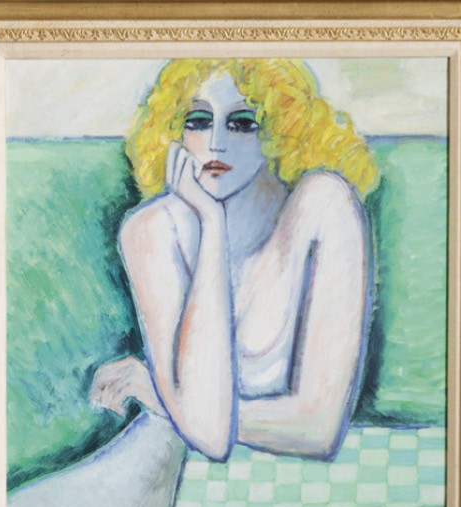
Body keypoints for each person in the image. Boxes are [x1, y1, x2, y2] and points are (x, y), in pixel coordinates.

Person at [90, 57, 379, 463]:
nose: (216, 143)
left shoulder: (325, 206)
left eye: (242, 123)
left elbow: (318, 430)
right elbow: (205, 434)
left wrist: (163, 399)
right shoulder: (149, 230)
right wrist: (211, 224)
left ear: (280, 128)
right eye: (198, 121)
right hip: (162, 456)